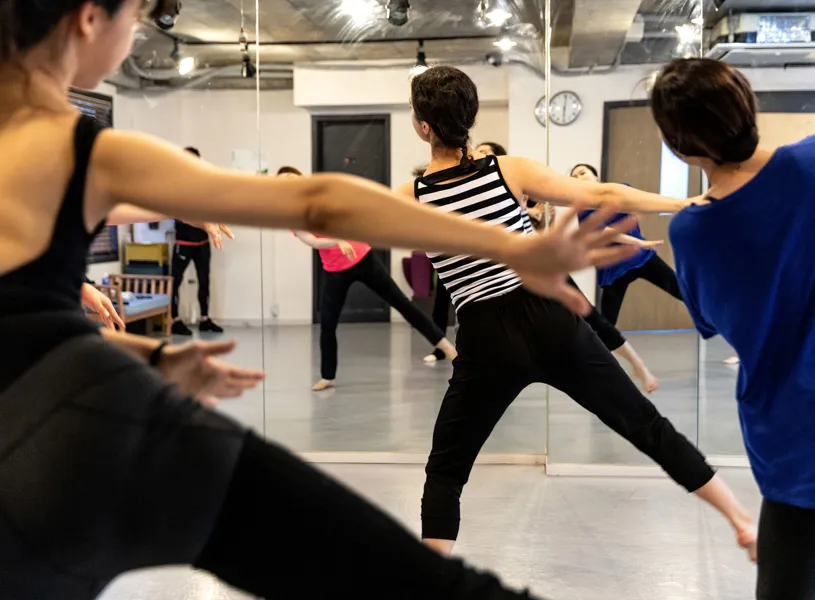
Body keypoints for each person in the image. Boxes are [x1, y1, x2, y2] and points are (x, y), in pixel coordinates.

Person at [0, 2, 634, 597]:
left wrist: (148, 352)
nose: (136, 33)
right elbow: (317, 202)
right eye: (135, 16)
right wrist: (516, 248)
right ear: (87, 18)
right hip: (84, 428)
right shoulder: (87, 151)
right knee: (408, 577)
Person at [402, 65, 756, 560]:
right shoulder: (509, 171)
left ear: (423, 126)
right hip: (550, 319)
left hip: (486, 338)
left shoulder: (414, 196)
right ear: (472, 117)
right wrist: (688, 200)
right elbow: (604, 194)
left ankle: (428, 579)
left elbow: (355, 224)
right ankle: (741, 518)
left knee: (446, 470)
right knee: (644, 424)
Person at [653, 57, 815, 600]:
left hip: (791, 430)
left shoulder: (694, 232)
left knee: (787, 579)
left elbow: (714, 321)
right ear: (751, 107)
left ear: (678, 145)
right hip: (792, 433)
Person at [280, 166, 457, 391]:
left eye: (291, 177)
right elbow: (312, 241)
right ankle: (327, 377)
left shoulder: (325, 197)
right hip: (335, 270)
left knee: (401, 303)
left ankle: (447, 348)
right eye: (283, 180)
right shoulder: (293, 215)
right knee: (327, 324)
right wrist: (337, 241)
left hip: (363, 258)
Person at [528, 199, 662, 393]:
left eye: (583, 173)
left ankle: (637, 365)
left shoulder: (549, 205)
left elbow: (603, 231)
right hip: (518, 276)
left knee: (593, 320)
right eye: (576, 174)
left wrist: (640, 242)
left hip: (549, 270)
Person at [572, 164, 685, 325]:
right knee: (607, 324)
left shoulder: (622, 189)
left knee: (683, 292)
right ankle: (598, 350)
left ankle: (721, 323)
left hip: (640, 256)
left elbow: (644, 202)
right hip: (613, 267)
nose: (578, 178)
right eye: (574, 177)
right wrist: (639, 242)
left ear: (596, 176)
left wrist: (679, 204)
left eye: (582, 173)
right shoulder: (583, 209)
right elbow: (605, 233)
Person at [170, 147, 223, 336]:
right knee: (174, 282)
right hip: (183, 243)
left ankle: (205, 319)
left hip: (202, 243)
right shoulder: (176, 185)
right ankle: (175, 320)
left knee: (204, 281)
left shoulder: (203, 184)